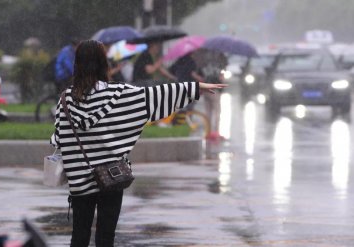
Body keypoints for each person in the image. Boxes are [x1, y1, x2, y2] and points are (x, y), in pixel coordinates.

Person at [49, 40, 226, 247]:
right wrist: (194, 88)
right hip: (110, 177)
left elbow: (58, 138)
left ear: (77, 64)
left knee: (79, 236)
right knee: (106, 237)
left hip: (79, 180)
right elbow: (155, 95)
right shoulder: (117, 94)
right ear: (103, 64)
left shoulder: (66, 100)